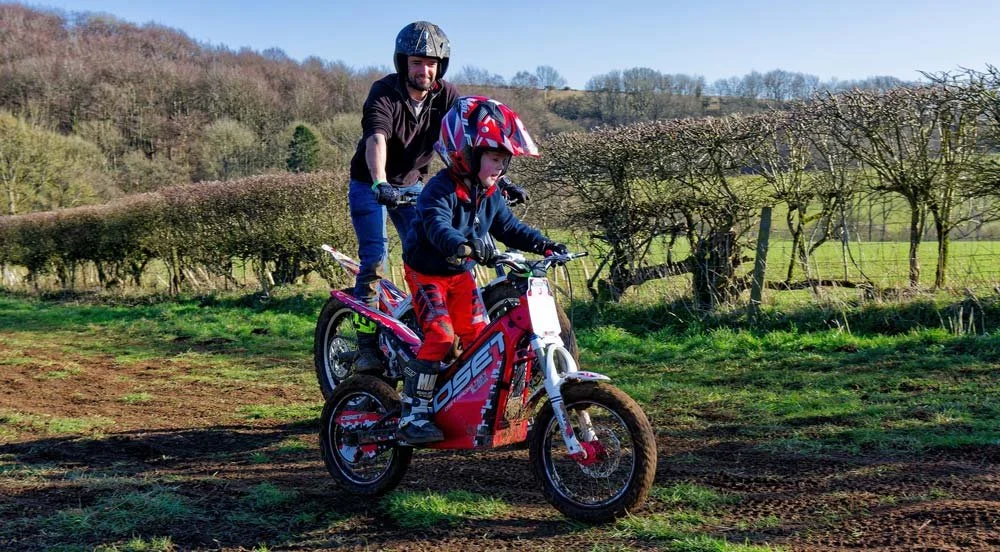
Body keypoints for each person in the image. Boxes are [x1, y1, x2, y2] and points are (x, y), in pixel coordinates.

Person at [347, 22, 528, 372]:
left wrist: (498, 183)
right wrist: (380, 182)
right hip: (371, 184)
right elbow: (376, 139)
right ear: (404, 63)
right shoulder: (384, 92)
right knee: (374, 257)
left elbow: (467, 143)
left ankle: (429, 325)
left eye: (431, 63)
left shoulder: (446, 96)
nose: (424, 70)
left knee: (428, 253)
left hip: (415, 183)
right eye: (417, 62)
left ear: (440, 66)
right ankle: (366, 343)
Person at [397, 96, 567, 443]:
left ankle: (466, 408)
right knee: (442, 335)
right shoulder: (439, 188)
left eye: (505, 161)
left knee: (479, 339)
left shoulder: (488, 193)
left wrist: (546, 245)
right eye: (494, 158)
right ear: (467, 153)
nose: (500, 168)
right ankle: (413, 413)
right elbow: (436, 224)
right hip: (427, 273)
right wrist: (462, 243)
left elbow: (509, 228)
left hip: (460, 275)